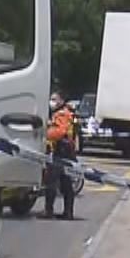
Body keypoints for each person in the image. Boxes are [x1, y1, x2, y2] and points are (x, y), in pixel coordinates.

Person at [44, 91, 81, 219]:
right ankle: (68, 212)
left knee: (51, 182)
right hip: (67, 151)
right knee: (66, 183)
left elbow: (60, 132)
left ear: (61, 100)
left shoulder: (62, 114)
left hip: (61, 151)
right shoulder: (66, 112)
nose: (51, 102)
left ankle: (49, 212)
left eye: (54, 99)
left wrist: (46, 133)